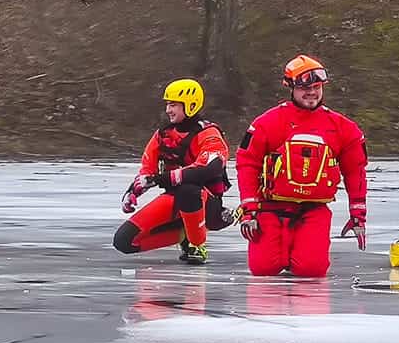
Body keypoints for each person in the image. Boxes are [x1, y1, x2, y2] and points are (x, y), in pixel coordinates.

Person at [235, 55, 368, 278]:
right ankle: (283, 252)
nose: (312, 93)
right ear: (290, 87)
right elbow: (247, 163)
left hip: (314, 210)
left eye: (316, 87)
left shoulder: (344, 128)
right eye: (305, 88)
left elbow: (356, 171)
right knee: (263, 269)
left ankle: (299, 252)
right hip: (270, 209)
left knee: (311, 270)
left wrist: (358, 215)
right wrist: (249, 211)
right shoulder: (267, 123)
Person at [114, 78, 234, 265]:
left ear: (191, 105)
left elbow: (208, 168)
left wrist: (162, 178)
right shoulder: (163, 134)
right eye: (167, 105)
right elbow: (148, 168)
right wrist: (133, 191)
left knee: (188, 188)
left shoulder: (209, 133)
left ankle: (197, 245)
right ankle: (184, 234)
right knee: (124, 241)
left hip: (206, 202)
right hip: (175, 197)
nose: (168, 110)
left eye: (173, 105)